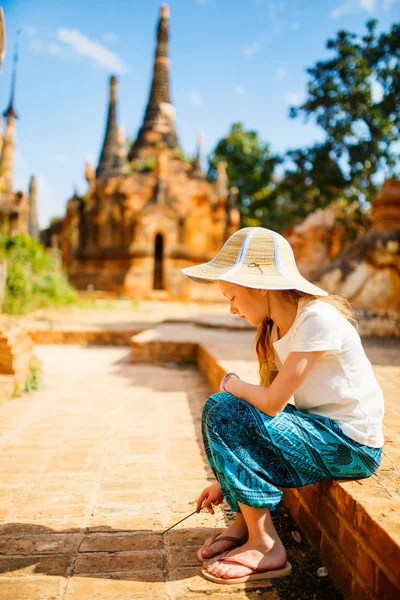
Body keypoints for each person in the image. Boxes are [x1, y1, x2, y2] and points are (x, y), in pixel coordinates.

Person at [181, 226, 384, 585]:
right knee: (228, 411)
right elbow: (257, 418)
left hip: (352, 446)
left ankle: (265, 546)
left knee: (223, 406)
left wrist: (232, 383)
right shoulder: (273, 329)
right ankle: (246, 523)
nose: (231, 309)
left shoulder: (316, 319)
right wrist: (224, 479)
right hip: (319, 432)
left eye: (232, 296)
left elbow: (272, 404)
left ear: (260, 286)